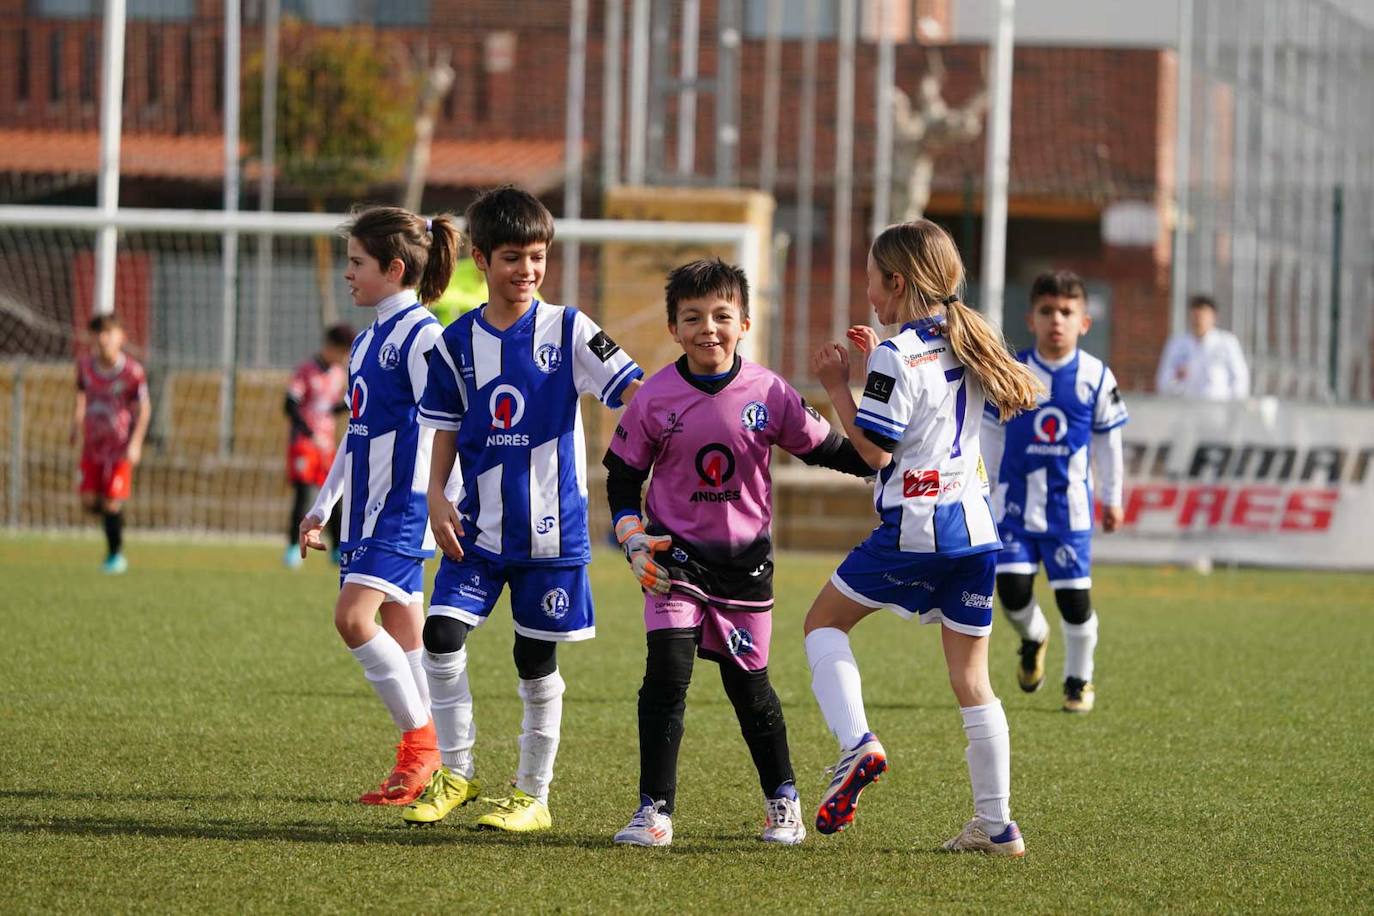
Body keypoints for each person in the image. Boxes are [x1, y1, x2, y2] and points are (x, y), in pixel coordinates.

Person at [602, 258, 874, 848]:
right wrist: (631, 537)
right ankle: (654, 811)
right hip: (672, 557)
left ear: (744, 322)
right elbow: (621, 479)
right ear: (673, 328)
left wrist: (887, 437)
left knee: (748, 688)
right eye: (693, 317)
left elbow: (843, 453)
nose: (709, 329)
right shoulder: (652, 397)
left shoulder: (770, 392)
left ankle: (785, 801)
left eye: (722, 316)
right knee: (665, 676)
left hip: (746, 566)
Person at [402, 185, 644, 833]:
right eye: (513, 257)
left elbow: (635, 395)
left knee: (534, 663)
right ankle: (456, 771)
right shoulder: (455, 342)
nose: (528, 270)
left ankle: (531, 795)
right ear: (481, 259)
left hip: (550, 534)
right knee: (441, 636)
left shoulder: (570, 329)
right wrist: (434, 495)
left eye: (537, 256)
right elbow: (445, 425)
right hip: (474, 528)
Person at [804, 220, 1042, 856]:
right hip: (975, 528)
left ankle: (857, 745)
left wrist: (836, 385)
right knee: (972, 681)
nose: (869, 296)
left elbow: (874, 453)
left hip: (916, 525)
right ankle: (997, 827)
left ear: (898, 281)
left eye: (872, 284)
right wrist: (882, 348)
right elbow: (927, 390)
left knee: (822, 625)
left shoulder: (895, 354)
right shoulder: (965, 336)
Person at [297, 206, 461, 806]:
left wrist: (449, 496)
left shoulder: (423, 337)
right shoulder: (367, 340)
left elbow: (453, 422)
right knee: (400, 627)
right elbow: (356, 432)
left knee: (351, 618)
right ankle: (434, 762)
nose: (348, 274)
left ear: (394, 269)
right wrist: (323, 506)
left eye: (357, 263)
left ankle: (421, 747)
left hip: (403, 506)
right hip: (366, 507)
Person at [981, 271, 1128, 715]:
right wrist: (985, 490)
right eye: (1047, 311)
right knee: (1011, 592)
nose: (1056, 320)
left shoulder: (1096, 377)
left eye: (1066, 312)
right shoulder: (1014, 373)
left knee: (1074, 600)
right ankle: (1033, 635)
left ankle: (1078, 680)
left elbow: (1108, 442)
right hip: (1015, 508)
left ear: (1084, 322)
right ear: (1031, 319)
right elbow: (990, 433)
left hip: (1070, 513)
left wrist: (1113, 496)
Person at [73, 313, 151, 574]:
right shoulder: (84, 366)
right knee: (88, 501)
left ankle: (115, 556)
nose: (103, 338)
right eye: (98, 333)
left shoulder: (131, 372)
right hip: (93, 446)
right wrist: (75, 425)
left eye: (109, 333)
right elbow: (81, 395)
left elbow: (144, 409)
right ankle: (113, 521)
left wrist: (136, 443)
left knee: (111, 501)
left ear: (121, 337)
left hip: (119, 447)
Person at [282, 323, 353, 569]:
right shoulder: (306, 371)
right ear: (330, 347)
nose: (344, 357)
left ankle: (337, 550)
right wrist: (307, 429)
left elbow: (338, 406)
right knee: (303, 495)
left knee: (334, 497)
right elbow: (289, 404)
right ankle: (292, 547)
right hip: (304, 444)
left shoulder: (338, 374)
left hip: (326, 445)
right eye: (342, 351)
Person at [1155, 294, 1250, 400]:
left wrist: (1233, 407)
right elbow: (1163, 382)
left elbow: (1240, 378)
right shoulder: (1177, 344)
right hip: (1185, 409)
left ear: (1213, 317)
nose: (1198, 320)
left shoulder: (1226, 342)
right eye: (1195, 316)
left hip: (1218, 409)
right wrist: (1176, 379)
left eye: (1203, 316)